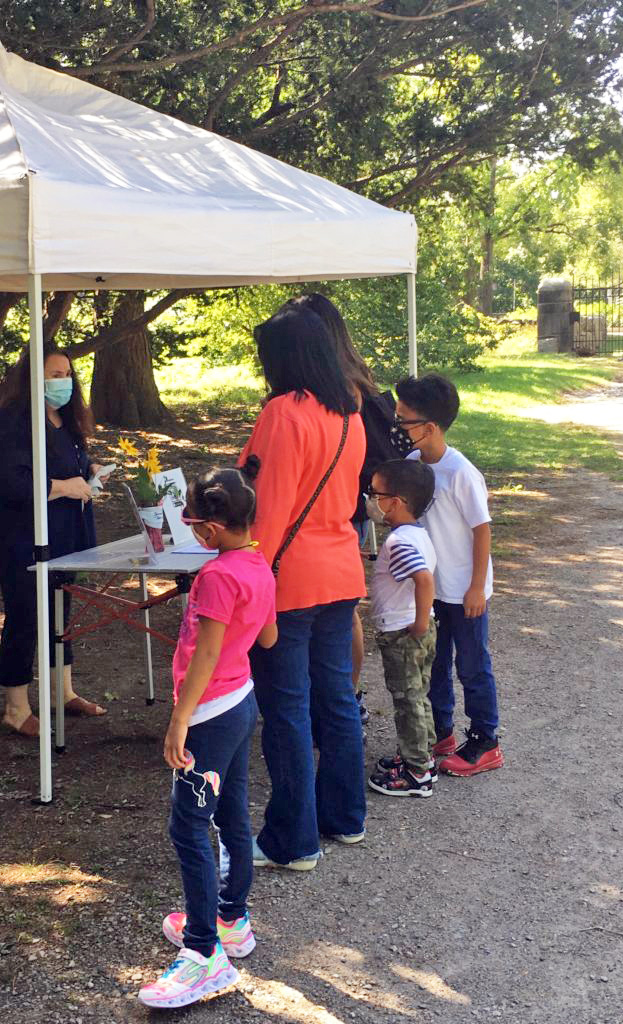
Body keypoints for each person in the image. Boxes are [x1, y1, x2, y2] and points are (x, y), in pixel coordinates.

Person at [138, 463, 277, 1011]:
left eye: (194, 524)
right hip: (241, 701)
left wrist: (179, 719)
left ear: (212, 530)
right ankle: (230, 920)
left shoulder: (218, 576)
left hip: (211, 713)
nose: (192, 532)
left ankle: (203, 954)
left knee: (190, 824)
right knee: (232, 813)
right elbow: (267, 636)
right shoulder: (257, 565)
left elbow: (208, 654)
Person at [239, 303, 367, 870]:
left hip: (289, 575)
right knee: (335, 698)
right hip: (340, 567)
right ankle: (345, 816)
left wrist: (250, 577)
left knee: (287, 709)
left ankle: (293, 839)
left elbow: (268, 508)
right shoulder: (350, 411)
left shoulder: (284, 412)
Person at [0, 347, 109, 736]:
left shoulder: (67, 419)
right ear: (32, 378)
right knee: (25, 614)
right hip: (21, 536)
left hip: (66, 534)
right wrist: (61, 486)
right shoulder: (11, 422)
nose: (63, 381)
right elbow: (10, 482)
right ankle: (16, 707)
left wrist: (89, 470)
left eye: (66, 373)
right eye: (53, 374)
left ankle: (62, 692)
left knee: (60, 611)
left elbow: (74, 460)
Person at [284, 293, 397, 724]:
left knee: (337, 615)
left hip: (329, 517)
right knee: (341, 612)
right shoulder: (356, 384)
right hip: (343, 519)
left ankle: (344, 698)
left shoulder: (344, 393)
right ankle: (345, 698)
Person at [393, 373, 504, 776]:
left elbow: (481, 530)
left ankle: (485, 740)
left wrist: (477, 587)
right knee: (434, 662)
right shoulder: (410, 467)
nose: (396, 425)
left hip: (464, 591)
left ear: (429, 428)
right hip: (432, 589)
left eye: (403, 420)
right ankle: (440, 731)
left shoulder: (460, 472)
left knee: (472, 664)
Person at [364, 459, 438, 797]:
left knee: (407, 700)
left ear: (395, 502)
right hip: (414, 628)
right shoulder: (417, 534)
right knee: (418, 696)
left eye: (375, 493)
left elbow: (422, 579)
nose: (371, 500)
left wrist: (420, 621)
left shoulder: (399, 543)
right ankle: (422, 754)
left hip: (403, 632)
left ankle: (416, 773)